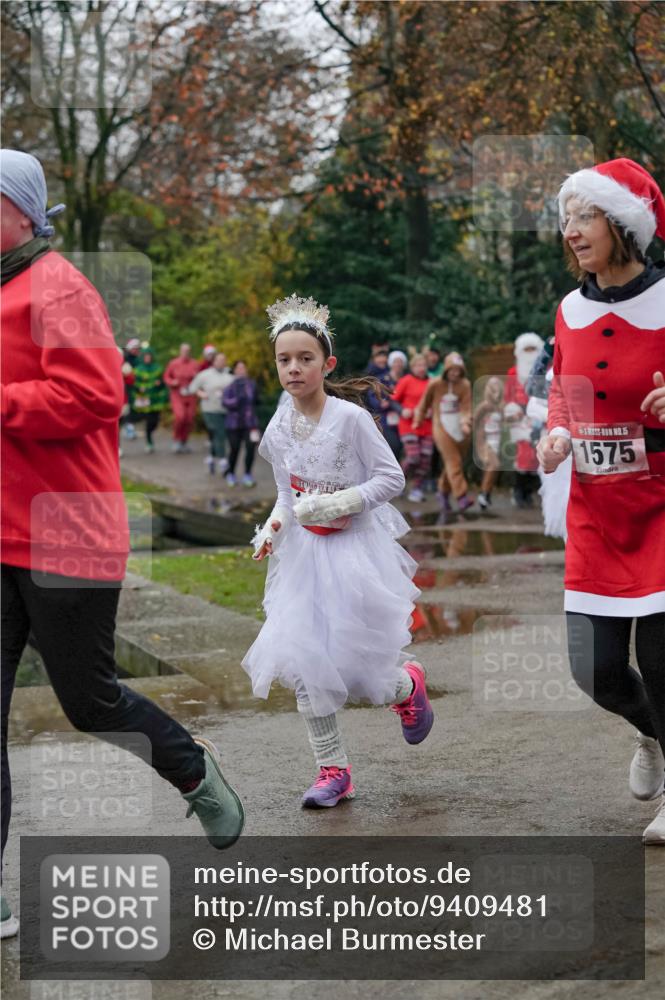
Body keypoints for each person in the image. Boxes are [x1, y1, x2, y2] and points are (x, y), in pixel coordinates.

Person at [0, 149, 244, 937]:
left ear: (23, 212)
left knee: (89, 701)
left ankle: (190, 767)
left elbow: (94, 394)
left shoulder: (59, 287)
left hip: (63, 534)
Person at [244, 294, 434, 808]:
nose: (293, 368)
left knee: (361, 673)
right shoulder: (279, 427)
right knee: (306, 663)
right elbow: (286, 496)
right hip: (304, 560)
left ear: (326, 364)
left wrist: (340, 502)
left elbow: (391, 478)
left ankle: (407, 687)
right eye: (284, 359)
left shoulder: (350, 419)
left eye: (305, 358)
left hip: (354, 555)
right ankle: (333, 771)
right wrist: (272, 530)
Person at [537, 157, 665, 844]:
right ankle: (652, 734)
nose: (571, 230)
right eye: (566, 219)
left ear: (623, 224)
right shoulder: (569, 309)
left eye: (585, 216)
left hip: (661, 505)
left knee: (663, 662)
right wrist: (557, 430)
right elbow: (564, 386)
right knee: (595, 669)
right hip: (596, 509)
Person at [414, 351, 474, 518]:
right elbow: (424, 403)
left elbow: (466, 407)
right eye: (452, 370)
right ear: (446, 370)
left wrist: (465, 423)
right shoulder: (435, 384)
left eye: (458, 370)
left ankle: (443, 492)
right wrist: (418, 419)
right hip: (440, 426)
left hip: (459, 428)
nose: (455, 373)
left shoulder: (465, 385)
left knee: (454, 463)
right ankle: (461, 496)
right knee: (454, 461)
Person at [527, 337, 571, 540]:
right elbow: (533, 403)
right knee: (562, 499)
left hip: (589, 446)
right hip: (558, 446)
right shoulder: (551, 375)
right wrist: (559, 424)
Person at [503, 332, 544, 507]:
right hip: (520, 418)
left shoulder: (545, 371)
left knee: (537, 457)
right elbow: (508, 396)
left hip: (540, 417)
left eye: (533, 349)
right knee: (524, 456)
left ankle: (528, 492)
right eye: (526, 350)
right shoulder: (513, 373)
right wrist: (513, 410)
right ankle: (518, 491)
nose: (529, 353)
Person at [392, 354, 433, 502]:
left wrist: (432, 411)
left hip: (426, 426)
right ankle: (396, 483)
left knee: (425, 459)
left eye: (424, 365)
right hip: (408, 425)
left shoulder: (431, 382)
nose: (421, 368)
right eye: (418, 365)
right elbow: (393, 400)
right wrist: (402, 410)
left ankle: (417, 488)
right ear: (412, 367)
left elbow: (437, 401)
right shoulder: (406, 380)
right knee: (413, 457)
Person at [188, 351, 235, 474]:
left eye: (223, 360)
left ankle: (211, 457)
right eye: (219, 360)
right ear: (213, 361)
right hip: (210, 410)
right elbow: (192, 388)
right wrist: (201, 393)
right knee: (219, 432)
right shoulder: (205, 374)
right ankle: (223, 459)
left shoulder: (230, 375)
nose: (221, 362)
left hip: (226, 410)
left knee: (218, 434)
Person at [221, 361, 260, 487]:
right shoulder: (229, 386)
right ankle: (231, 473)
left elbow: (257, 401)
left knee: (251, 449)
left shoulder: (252, 385)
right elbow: (224, 402)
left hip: (250, 424)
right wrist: (236, 400)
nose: (241, 370)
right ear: (234, 371)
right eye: (238, 368)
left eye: (243, 368)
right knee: (234, 449)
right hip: (233, 424)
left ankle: (247, 474)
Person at [473, 375, 504, 510]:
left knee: (492, 468)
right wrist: (479, 438)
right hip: (486, 441)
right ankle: (484, 494)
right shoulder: (484, 406)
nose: (495, 389)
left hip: (497, 440)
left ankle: (486, 494)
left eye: (498, 385)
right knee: (494, 465)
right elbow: (474, 421)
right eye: (493, 386)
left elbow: (503, 421)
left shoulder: (499, 407)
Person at [131, 347, 169, 453]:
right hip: (144, 400)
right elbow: (133, 383)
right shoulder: (138, 369)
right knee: (148, 421)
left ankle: (149, 434)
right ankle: (149, 442)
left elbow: (163, 382)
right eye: (146, 357)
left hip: (155, 400)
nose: (147, 358)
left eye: (149, 357)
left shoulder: (158, 368)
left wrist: (159, 383)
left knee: (154, 422)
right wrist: (139, 388)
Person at [164, 343, 199, 453]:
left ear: (190, 352)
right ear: (180, 351)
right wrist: (172, 382)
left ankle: (184, 441)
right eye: (184, 351)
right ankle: (176, 440)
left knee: (189, 419)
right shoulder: (173, 363)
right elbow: (166, 377)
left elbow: (199, 379)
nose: (186, 353)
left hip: (190, 394)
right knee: (180, 417)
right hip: (177, 394)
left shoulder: (194, 364)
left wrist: (196, 381)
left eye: (187, 351)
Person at [366, 347, 401, 459]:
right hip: (380, 415)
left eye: (384, 356)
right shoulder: (371, 375)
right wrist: (380, 403)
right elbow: (371, 395)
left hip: (398, 415)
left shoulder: (398, 376)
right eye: (379, 356)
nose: (382, 359)